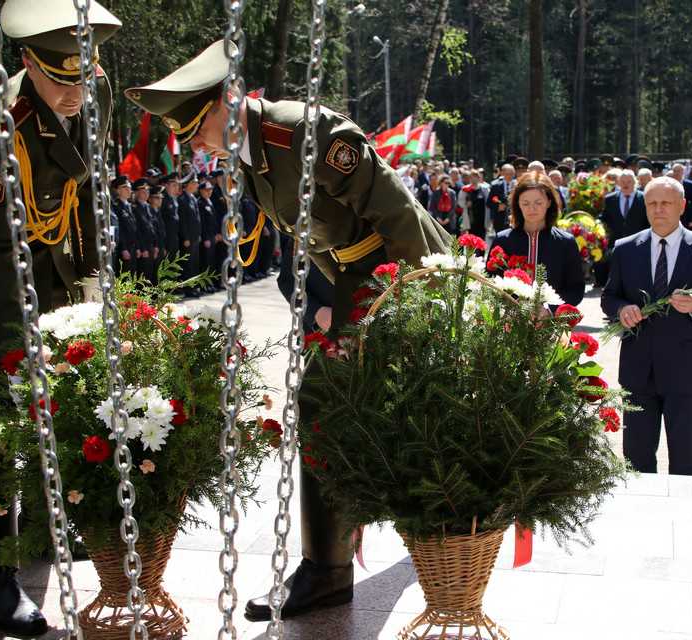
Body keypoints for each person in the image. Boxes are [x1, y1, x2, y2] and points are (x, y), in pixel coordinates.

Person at [125, 39, 451, 622]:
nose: (195, 145)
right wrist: (328, 307)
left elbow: (396, 214)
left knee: (358, 402)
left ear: (229, 102)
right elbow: (316, 242)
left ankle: (393, 550)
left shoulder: (299, 132)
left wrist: (412, 308)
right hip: (353, 278)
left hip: (401, 273)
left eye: (198, 129)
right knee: (330, 405)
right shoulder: (248, 154)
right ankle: (330, 568)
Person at [0, 1, 121, 634]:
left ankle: (45, 534)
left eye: (84, 76)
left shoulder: (87, 95)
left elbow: (88, 191)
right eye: (62, 79)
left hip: (50, 265)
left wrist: (94, 278)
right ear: (26, 65)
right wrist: (15, 351)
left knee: (60, 406)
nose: (76, 92)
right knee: (0, 423)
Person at [601, 177, 692, 476]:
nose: (658, 209)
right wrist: (622, 309)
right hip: (638, 373)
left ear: (682, 206)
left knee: (686, 464)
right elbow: (609, 297)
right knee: (636, 463)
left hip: (686, 374)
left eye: (665, 203)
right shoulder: (626, 249)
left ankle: (686, 520)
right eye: (652, 203)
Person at [491, 171, 585, 309]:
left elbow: (575, 290)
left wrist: (549, 309)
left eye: (538, 202)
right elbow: (490, 283)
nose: (532, 209)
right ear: (517, 204)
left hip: (550, 325)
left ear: (549, 202)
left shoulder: (565, 242)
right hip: (508, 323)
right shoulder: (503, 240)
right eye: (526, 203)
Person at [596, 170, 649, 287]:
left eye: (629, 181)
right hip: (615, 242)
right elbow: (604, 217)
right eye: (623, 181)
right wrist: (597, 224)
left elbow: (648, 221)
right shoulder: (610, 199)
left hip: (638, 243)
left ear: (635, 182)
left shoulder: (644, 198)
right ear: (618, 183)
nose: (626, 184)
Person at [177, 171, 202, 294]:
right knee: (188, 264)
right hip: (188, 239)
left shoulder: (192, 198)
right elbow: (183, 221)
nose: (197, 185)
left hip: (195, 237)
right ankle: (188, 288)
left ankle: (194, 286)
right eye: (195, 183)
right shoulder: (182, 199)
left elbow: (196, 219)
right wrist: (185, 237)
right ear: (189, 184)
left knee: (195, 262)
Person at [111, 174, 137, 275]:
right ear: (118, 190)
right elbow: (119, 230)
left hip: (133, 247)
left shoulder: (130, 206)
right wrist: (124, 248)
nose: (128, 190)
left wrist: (138, 247)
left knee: (133, 275)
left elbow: (135, 229)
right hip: (124, 248)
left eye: (129, 187)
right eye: (124, 187)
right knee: (124, 275)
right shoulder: (116, 207)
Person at [459, 169, 489, 240]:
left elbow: (488, 203)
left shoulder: (485, 189)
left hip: (482, 219)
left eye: (476, 176)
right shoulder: (465, 189)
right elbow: (460, 202)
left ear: (479, 178)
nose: (474, 179)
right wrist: (466, 204)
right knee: (472, 239)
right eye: (472, 177)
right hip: (471, 218)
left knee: (482, 238)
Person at [160, 172, 182, 264]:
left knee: (174, 264)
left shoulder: (174, 199)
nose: (176, 188)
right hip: (166, 238)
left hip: (174, 237)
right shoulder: (163, 199)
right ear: (166, 185)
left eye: (177, 185)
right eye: (173, 185)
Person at [488, 163, 516, 233]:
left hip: (514, 219)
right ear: (502, 173)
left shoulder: (518, 185)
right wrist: (498, 206)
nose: (509, 176)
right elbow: (488, 203)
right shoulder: (495, 185)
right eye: (507, 174)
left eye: (511, 174)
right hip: (499, 220)